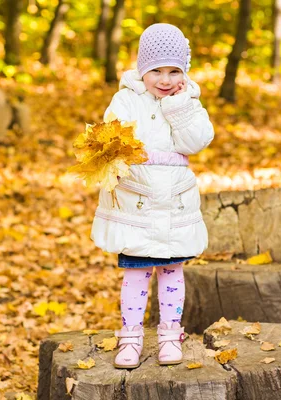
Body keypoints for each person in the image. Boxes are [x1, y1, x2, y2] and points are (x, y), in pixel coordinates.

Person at [89, 23, 214, 369]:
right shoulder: (125, 99)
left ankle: (170, 335)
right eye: (156, 70)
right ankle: (130, 338)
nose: (165, 79)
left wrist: (179, 108)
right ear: (142, 69)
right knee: (135, 271)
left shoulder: (188, 101)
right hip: (137, 199)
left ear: (184, 73)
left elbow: (196, 141)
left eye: (174, 71)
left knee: (172, 271)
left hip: (174, 201)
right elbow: (113, 138)